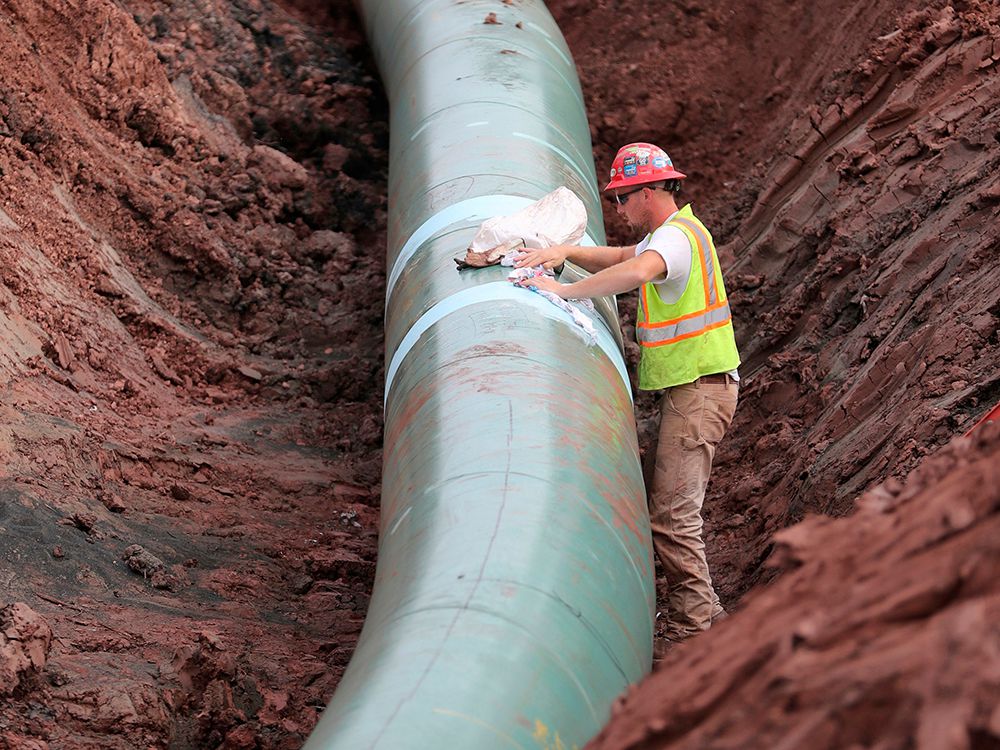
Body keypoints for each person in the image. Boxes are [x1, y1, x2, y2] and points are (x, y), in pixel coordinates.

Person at [514, 143, 741, 643]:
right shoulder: (675, 234)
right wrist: (567, 252)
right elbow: (621, 257)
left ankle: (693, 636)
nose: (617, 209)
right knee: (674, 515)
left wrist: (565, 292)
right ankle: (712, 623)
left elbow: (636, 271)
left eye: (621, 198)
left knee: (673, 519)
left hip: (700, 392)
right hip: (694, 390)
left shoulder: (675, 241)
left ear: (651, 191)